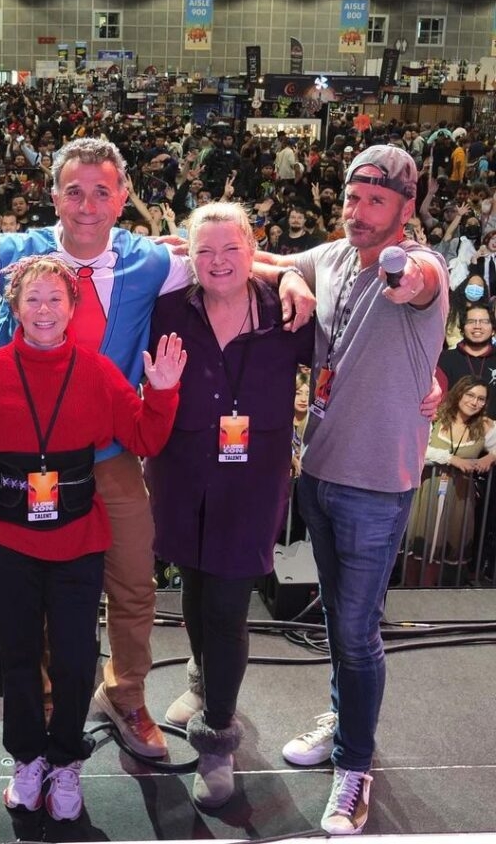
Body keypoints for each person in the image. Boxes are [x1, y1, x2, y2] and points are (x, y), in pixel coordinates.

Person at [0, 136, 315, 759]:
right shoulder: (13, 252)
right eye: (75, 191)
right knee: (45, 596)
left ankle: (126, 694)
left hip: (110, 457)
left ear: (123, 197)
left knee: (135, 584)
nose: (87, 205)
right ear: (54, 193)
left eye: (102, 191)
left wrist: (290, 273)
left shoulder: (150, 260)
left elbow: (227, 258)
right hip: (26, 464)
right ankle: (53, 704)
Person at [0, 255, 186, 821]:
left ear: (73, 309)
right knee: (21, 661)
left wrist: (164, 392)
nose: (44, 310)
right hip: (7, 541)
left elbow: (146, 435)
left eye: (55, 299)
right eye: (33, 299)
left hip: (78, 539)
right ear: (15, 308)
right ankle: (28, 759)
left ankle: (67, 763)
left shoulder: (99, 371)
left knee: (77, 660)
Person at [277, 144, 448, 835]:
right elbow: (270, 263)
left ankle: (355, 767)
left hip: (376, 485)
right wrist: (288, 281)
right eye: (352, 198)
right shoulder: (332, 256)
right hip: (318, 471)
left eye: (377, 201)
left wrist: (407, 279)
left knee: (355, 630)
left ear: (406, 210)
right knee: (337, 624)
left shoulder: (416, 264)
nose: (359, 212)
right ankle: (344, 718)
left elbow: (423, 281)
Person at [145, 203, 314, 808]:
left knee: (227, 602)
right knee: (193, 585)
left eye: (231, 250)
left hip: (252, 483)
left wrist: (423, 378)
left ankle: (218, 734)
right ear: (188, 255)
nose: (217, 263)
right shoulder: (166, 308)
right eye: (204, 251)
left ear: (254, 252)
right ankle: (199, 674)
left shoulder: (288, 311)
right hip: (181, 475)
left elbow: (340, 358)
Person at [404, 377, 495, 586]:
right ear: (459, 393)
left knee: (447, 543)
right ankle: (409, 594)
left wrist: (490, 457)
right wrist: (451, 458)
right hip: (427, 491)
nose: (474, 402)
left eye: (481, 399)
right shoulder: (436, 417)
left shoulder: (484, 425)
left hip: (459, 497)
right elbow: (417, 449)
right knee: (418, 542)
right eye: (470, 395)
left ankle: (434, 597)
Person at [436, 303, 496, 415]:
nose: (477, 326)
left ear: (493, 330)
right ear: (462, 329)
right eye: (471, 321)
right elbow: (437, 403)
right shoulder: (445, 359)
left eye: (484, 321)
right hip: (452, 429)